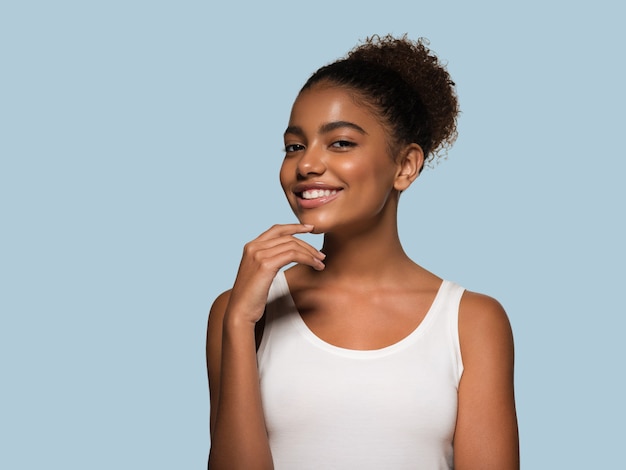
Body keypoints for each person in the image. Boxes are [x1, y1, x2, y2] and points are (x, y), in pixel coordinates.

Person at [206, 34, 519, 469]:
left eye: (341, 143)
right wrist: (238, 322)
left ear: (405, 166)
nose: (307, 164)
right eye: (295, 146)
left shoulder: (471, 322)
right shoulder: (241, 312)